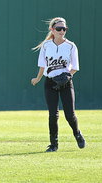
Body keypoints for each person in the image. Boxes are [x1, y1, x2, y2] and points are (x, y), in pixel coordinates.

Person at [31, 17, 86, 152]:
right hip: (50, 82)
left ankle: (77, 133)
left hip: (66, 83)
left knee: (69, 114)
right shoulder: (46, 45)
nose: (62, 31)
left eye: (64, 29)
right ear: (52, 29)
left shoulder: (71, 46)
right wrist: (37, 78)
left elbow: (75, 67)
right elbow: (42, 65)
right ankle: (53, 144)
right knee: (53, 115)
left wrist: (67, 76)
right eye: (59, 29)